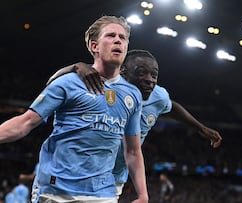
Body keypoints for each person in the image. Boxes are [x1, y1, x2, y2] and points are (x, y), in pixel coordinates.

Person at [0, 15, 148, 203]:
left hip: (102, 193)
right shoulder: (68, 82)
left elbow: (133, 151)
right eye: (110, 36)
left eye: (122, 37)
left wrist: (142, 194)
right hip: (56, 191)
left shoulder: (132, 95)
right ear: (94, 46)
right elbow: (26, 121)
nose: (118, 40)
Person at [46, 49, 223, 198]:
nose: (149, 79)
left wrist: (201, 128)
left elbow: (171, 106)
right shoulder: (102, 85)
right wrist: (76, 67)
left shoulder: (158, 96)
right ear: (122, 71)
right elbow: (52, 85)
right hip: (76, 172)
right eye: (140, 72)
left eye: (154, 75)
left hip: (112, 179)